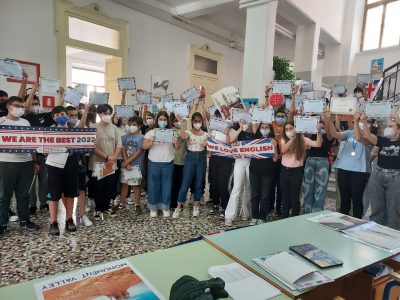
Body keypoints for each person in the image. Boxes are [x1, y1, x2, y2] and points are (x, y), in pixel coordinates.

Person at [0, 96, 40, 235]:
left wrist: (35, 161)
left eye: (22, 107)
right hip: (5, 162)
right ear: (8, 106)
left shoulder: (26, 122)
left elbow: (32, 144)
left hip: (25, 163)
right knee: (3, 195)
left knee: (24, 195)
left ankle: (25, 220)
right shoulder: (1, 122)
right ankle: (2, 223)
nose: (20, 109)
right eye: (17, 106)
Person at [355, 113, 400, 230]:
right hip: (378, 176)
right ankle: (376, 234)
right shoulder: (382, 140)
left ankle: (395, 239)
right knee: (376, 209)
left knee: (394, 210)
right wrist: (364, 122)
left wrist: (398, 119)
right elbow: (368, 136)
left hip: (396, 178)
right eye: (387, 126)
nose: (388, 128)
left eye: (391, 126)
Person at [326, 111, 371, 218]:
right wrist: (329, 120)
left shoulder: (368, 136)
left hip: (359, 171)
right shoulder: (349, 133)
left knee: (357, 199)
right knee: (344, 199)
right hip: (343, 169)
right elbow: (334, 134)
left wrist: (357, 122)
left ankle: (356, 223)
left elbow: (360, 138)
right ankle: (343, 221)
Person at [46, 106, 81, 235]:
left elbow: (82, 146)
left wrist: (89, 143)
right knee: (53, 195)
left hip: (70, 165)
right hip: (54, 166)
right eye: (57, 116)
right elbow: (42, 149)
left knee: (70, 194)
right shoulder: (48, 132)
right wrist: (45, 150)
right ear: (53, 118)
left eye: (62, 114)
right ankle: (53, 223)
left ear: (66, 115)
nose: (60, 117)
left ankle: (69, 219)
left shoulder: (74, 131)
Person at [280, 122, 322, 218]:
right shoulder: (284, 139)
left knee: (294, 196)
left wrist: (319, 132)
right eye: (286, 129)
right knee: (285, 196)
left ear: (296, 128)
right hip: (284, 170)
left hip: (296, 171)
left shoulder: (303, 140)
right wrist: (292, 138)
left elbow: (318, 144)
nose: (288, 131)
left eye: (290, 128)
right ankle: (284, 217)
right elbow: (283, 150)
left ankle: (295, 217)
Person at [142, 111, 180, 217]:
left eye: (164, 119)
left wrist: (176, 142)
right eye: (160, 119)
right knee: (153, 185)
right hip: (154, 161)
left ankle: (165, 207)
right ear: (157, 120)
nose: (162, 121)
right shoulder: (151, 132)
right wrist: (151, 141)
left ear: (167, 121)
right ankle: (153, 208)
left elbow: (178, 147)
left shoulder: (172, 132)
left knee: (167, 185)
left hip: (168, 161)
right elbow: (144, 146)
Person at [89, 104, 122, 220]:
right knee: (98, 186)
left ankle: (106, 207)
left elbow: (119, 144)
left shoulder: (114, 128)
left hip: (111, 162)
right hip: (98, 162)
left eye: (109, 113)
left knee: (109, 185)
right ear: (99, 114)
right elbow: (93, 146)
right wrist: (107, 156)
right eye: (105, 113)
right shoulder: (93, 127)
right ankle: (98, 209)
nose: (107, 115)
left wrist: (113, 157)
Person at [173, 112, 208, 218]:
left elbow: (210, 148)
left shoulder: (206, 134)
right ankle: (178, 206)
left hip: (201, 159)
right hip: (190, 158)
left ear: (202, 122)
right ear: (192, 122)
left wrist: (208, 146)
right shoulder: (188, 132)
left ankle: (196, 205)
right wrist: (182, 123)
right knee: (185, 183)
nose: (198, 123)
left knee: (199, 182)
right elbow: (183, 136)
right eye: (196, 121)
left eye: (199, 121)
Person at [65, 105, 92, 227]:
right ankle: (68, 215)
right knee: (65, 191)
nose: (74, 117)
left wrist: (85, 111)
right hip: (63, 164)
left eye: (76, 115)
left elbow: (80, 127)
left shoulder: (81, 127)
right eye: (71, 115)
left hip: (79, 163)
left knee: (81, 189)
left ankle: (82, 214)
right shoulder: (59, 128)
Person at [224, 119, 254, 226]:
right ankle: (229, 215)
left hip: (251, 162)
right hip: (240, 161)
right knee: (236, 188)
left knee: (248, 188)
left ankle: (245, 212)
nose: (248, 123)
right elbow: (229, 141)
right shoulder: (239, 131)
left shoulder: (256, 131)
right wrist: (241, 128)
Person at [249, 122, 278, 225]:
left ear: (270, 129)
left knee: (265, 197)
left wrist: (274, 147)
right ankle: (254, 216)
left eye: (266, 127)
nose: (264, 129)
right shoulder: (255, 139)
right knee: (254, 195)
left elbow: (275, 159)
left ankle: (262, 217)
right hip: (254, 171)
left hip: (268, 172)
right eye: (262, 127)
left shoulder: (274, 141)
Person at [303, 118, 334, 213]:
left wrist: (327, 118)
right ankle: (307, 213)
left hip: (323, 161)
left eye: (320, 123)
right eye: (316, 123)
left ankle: (317, 213)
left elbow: (330, 135)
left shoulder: (327, 134)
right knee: (308, 190)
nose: (318, 125)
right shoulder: (309, 134)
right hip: (309, 160)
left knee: (320, 191)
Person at [120, 116, 145, 213]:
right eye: (130, 124)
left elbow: (138, 152)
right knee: (125, 184)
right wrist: (126, 162)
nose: (131, 126)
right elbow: (123, 149)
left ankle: (137, 204)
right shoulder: (127, 136)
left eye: (134, 125)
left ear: (140, 126)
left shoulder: (142, 137)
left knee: (136, 186)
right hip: (126, 165)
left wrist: (127, 162)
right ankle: (121, 203)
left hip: (136, 166)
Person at [169, 112, 186, 209]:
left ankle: (178, 201)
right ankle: (172, 201)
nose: (177, 122)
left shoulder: (184, 131)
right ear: (171, 121)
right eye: (175, 120)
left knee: (180, 183)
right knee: (172, 182)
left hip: (182, 161)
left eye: (179, 120)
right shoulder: (171, 130)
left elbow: (183, 138)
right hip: (172, 160)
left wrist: (182, 123)